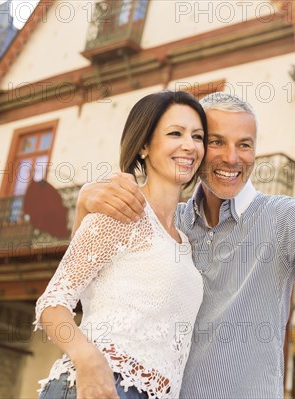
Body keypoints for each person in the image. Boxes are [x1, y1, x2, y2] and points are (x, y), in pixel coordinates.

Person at [75, 92, 295, 398]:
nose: (232, 158)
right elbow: (84, 289)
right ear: (198, 146)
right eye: (217, 142)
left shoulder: (280, 218)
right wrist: (83, 207)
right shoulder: (164, 220)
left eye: (245, 145)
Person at [34, 91, 208, 399]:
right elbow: (52, 305)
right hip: (103, 382)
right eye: (175, 133)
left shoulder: (185, 243)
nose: (189, 146)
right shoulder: (120, 211)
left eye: (198, 136)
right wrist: (87, 360)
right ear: (143, 146)